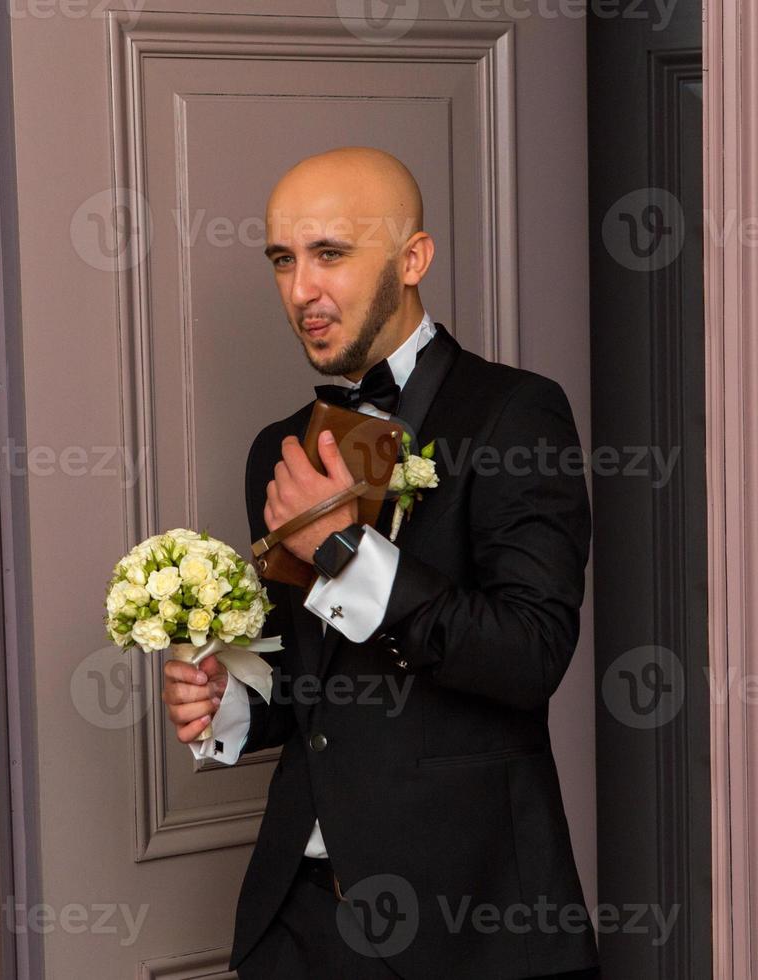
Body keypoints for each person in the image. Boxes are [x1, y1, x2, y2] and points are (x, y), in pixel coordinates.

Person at [162, 146, 600, 979]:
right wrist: (234, 704)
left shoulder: (516, 412)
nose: (301, 291)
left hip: (468, 926)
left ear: (412, 259)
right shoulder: (277, 449)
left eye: (330, 254)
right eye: (283, 260)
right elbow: (322, 680)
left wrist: (340, 549)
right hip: (295, 920)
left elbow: (528, 654)